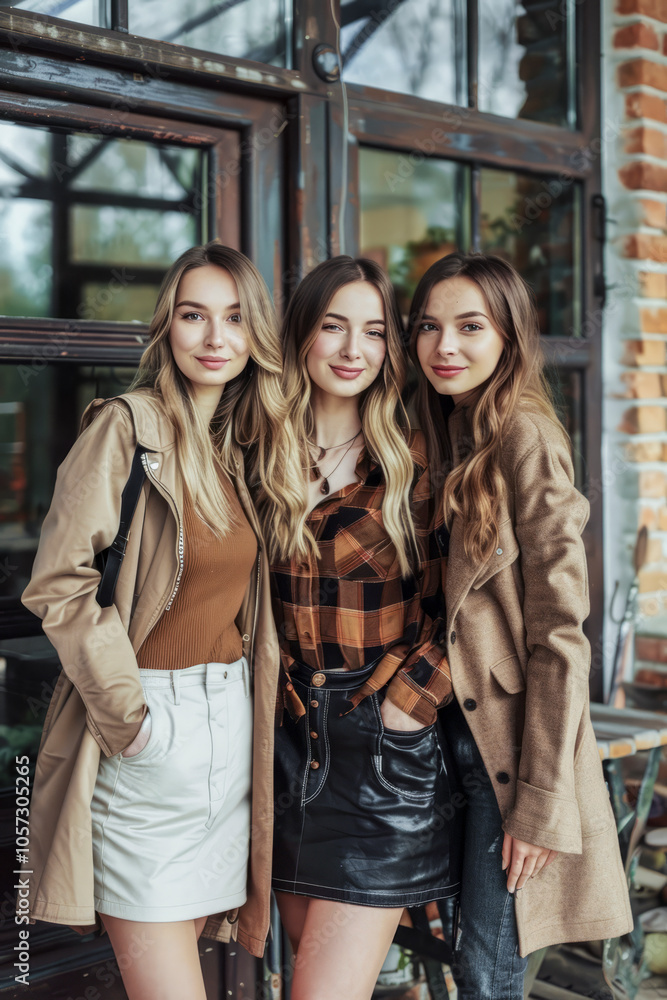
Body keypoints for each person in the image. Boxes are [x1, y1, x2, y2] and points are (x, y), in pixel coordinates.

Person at [21, 241, 306, 1000]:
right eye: (193, 315)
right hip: (149, 733)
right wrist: (133, 722)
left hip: (231, 735)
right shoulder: (124, 427)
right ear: (166, 328)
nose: (215, 338)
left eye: (235, 318)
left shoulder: (242, 452)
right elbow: (58, 584)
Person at [409, 250, 633, 999]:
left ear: (508, 335)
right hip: (443, 740)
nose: (446, 346)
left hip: (508, 755)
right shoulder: (443, 431)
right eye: (429, 328)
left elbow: (560, 630)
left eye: (469, 327)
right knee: (456, 958)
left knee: (486, 970)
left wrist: (538, 802)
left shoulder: (523, 436)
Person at [270, 256, 460, 1000]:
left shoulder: (418, 460)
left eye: (375, 332)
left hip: (381, 751)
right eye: (333, 327)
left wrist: (405, 707)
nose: (353, 349)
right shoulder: (255, 453)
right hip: (283, 746)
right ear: (301, 336)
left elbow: (470, 610)